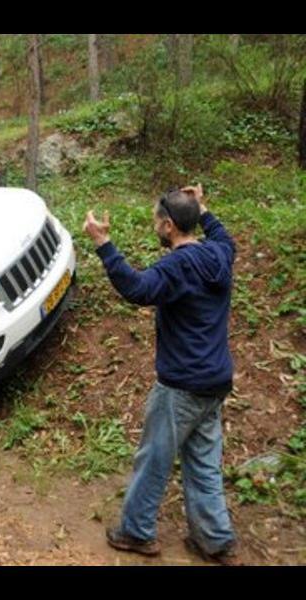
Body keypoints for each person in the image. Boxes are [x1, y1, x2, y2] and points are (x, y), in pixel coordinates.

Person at [82, 184, 239, 565]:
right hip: (215, 382)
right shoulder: (220, 253)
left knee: (154, 458)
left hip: (181, 386)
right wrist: (201, 208)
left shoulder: (176, 267)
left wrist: (104, 244)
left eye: (157, 221)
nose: (155, 225)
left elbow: (137, 288)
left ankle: (136, 532)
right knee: (203, 461)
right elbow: (221, 234)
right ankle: (215, 540)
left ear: (168, 226)